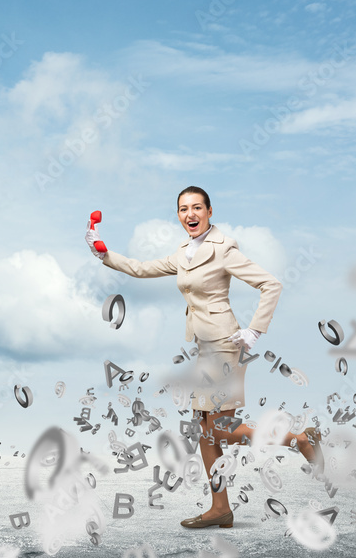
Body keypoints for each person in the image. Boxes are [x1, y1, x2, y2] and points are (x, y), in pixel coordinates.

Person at [85, 185, 323, 529]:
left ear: (210, 211)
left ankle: (299, 439)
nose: (190, 214)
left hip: (224, 344)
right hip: (205, 347)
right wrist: (103, 253)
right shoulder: (184, 252)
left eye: (197, 207)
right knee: (207, 434)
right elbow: (141, 268)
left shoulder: (222, 247)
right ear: (178, 215)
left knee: (220, 431)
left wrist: (255, 330)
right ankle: (221, 508)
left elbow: (271, 284)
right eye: (183, 209)